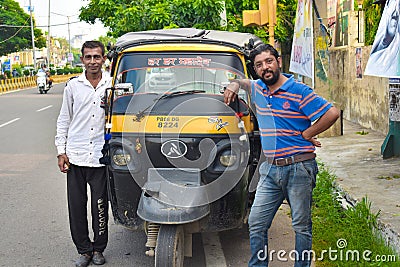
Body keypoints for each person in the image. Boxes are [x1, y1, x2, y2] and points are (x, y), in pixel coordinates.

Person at [224, 44, 339, 267]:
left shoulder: (299, 91)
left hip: (299, 167)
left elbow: (332, 113)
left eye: (269, 61)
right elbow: (244, 83)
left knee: (301, 225)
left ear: (278, 61)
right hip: (270, 169)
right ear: (255, 69)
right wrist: (234, 83)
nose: (265, 67)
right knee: (256, 222)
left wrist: (308, 132)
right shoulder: (257, 88)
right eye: (259, 65)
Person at [55, 41, 112, 267]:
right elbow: (64, 119)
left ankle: (99, 249)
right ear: (82, 60)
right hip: (76, 155)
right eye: (88, 57)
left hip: (100, 156)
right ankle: (84, 250)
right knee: (76, 207)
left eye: (96, 57)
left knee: (100, 206)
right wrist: (62, 151)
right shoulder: (73, 86)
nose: (92, 62)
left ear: (103, 59)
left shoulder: (112, 84)